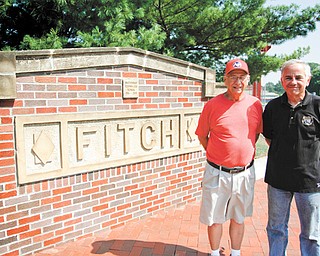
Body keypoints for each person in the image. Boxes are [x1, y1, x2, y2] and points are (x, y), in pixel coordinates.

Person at [195, 59, 263, 256]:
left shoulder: (255, 105)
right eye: (233, 77)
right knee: (215, 218)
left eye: (242, 77)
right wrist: (218, 155)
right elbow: (202, 135)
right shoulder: (212, 105)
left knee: (238, 217)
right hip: (217, 173)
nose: (238, 82)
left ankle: (235, 252)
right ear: (225, 79)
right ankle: (215, 253)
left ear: (248, 79)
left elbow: (255, 134)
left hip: (244, 173)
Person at [263, 59, 320, 256]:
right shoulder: (272, 107)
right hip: (278, 180)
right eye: (288, 77)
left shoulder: (317, 105)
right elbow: (269, 137)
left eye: (298, 77)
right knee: (276, 229)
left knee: (311, 234)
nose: (293, 82)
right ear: (281, 81)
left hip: (310, 181)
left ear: (308, 80)